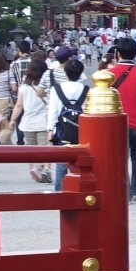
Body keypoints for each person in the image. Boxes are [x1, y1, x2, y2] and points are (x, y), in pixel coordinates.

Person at [107, 35, 136, 199]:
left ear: (117, 54)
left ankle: (122, 190)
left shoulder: (107, 74)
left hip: (116, 122)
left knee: (119, 158)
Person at [45, 56, 88, 191]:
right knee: (81, 161)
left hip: (62, 129)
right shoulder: (86, 89)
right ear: (80, 73)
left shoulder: (57, 89)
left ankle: (59, 192)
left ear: (65, 72)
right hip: (81, 129)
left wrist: (50, 129)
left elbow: (53, 110)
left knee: (61, 162)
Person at [13, 62, 52, 180]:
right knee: (45, 148)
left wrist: (12, 120)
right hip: (43, 122)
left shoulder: (23, 88)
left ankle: (34, 168)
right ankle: (45, 170)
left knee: (31, 148)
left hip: (28, 122)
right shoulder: (47, 87)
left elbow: (19, 105)